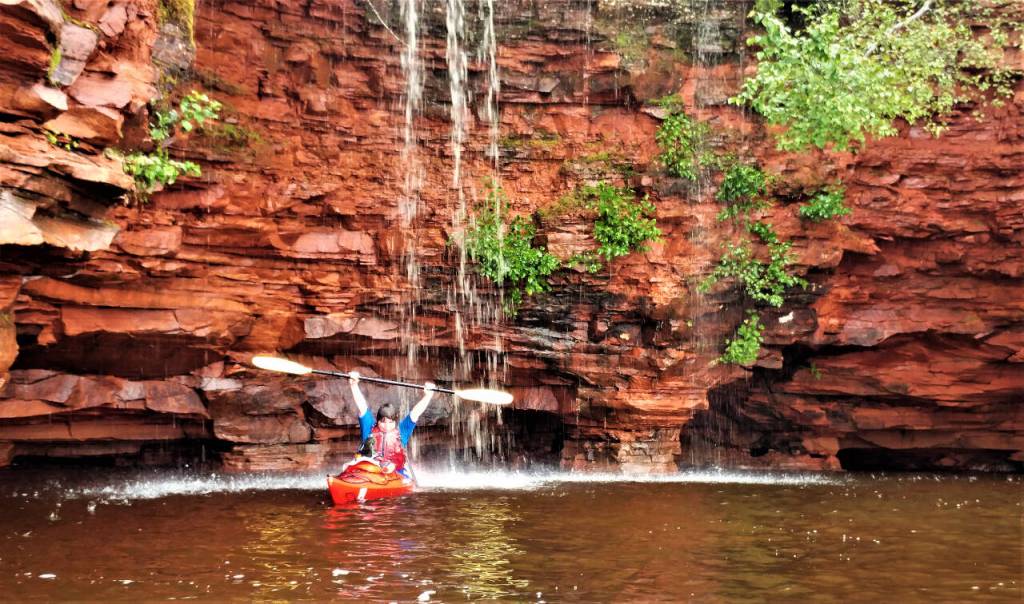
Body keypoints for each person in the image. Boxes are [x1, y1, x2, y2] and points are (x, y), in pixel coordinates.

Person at [348, 371, 435, 478]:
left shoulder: (401, 431)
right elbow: (362, 406)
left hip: (394, 471)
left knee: (389, 468)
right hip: (369, 468)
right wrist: (353, 385)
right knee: (351, 465)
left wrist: (428, 396)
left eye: (390, 422)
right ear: (377, 421)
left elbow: (415, 413)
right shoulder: (369, 427)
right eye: (383, 422)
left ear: (395, 422)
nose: (386, 426)